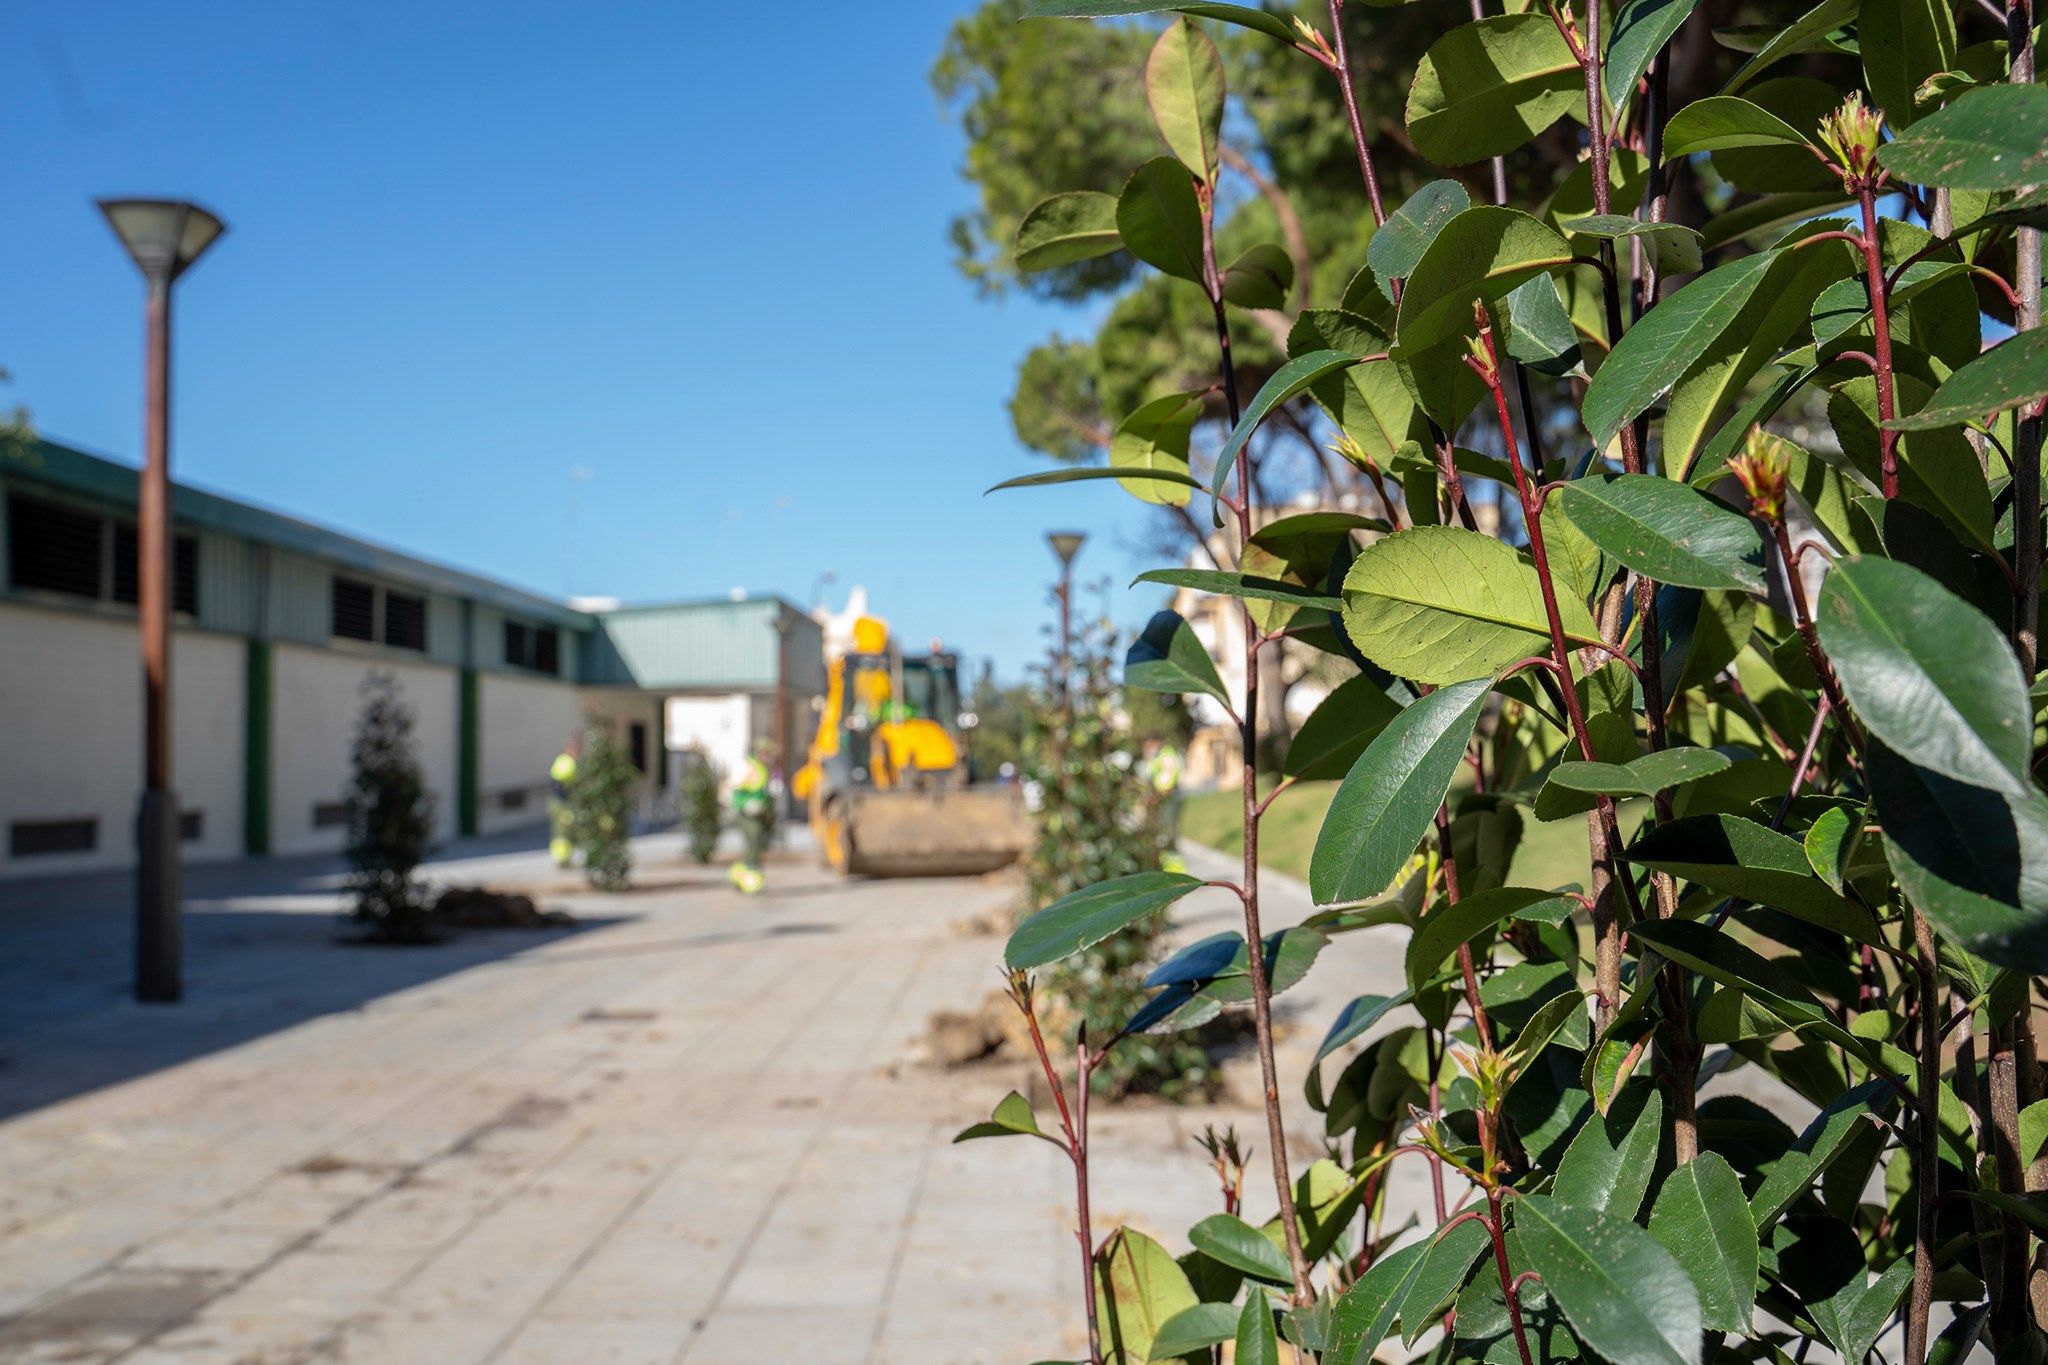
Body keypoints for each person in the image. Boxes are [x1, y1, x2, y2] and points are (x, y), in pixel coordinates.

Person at [728, 745, 774, 895]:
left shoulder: (761, 768)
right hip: (748, 813)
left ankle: (739, 874)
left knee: (754, 845)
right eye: (765, 753)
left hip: (758, 812)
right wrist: (745, 804)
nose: (768, 757)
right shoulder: (751, 768)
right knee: (754, 842)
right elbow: (738, 789)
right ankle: (750, 878)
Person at [1141, 738, 1186, 875]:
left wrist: (1155, 798)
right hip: (1164, 801)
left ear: (1155, 743)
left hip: (1169, 800)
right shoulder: (1159, 758)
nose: (1147, 750)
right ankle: (1167, 871)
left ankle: (1176, 874)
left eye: (1148, 746)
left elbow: (1167, 782)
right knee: (1162, 836)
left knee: (1167, 836)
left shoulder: (1166, 756)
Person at [548, 736, 581, 868]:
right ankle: (562, 860)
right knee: (563, 832)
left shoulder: (565, 761)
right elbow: (559, 784)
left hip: (563, 802)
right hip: (562, 803)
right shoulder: (567, 762)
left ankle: (565, 859)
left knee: (567, 832)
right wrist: (566, 800)